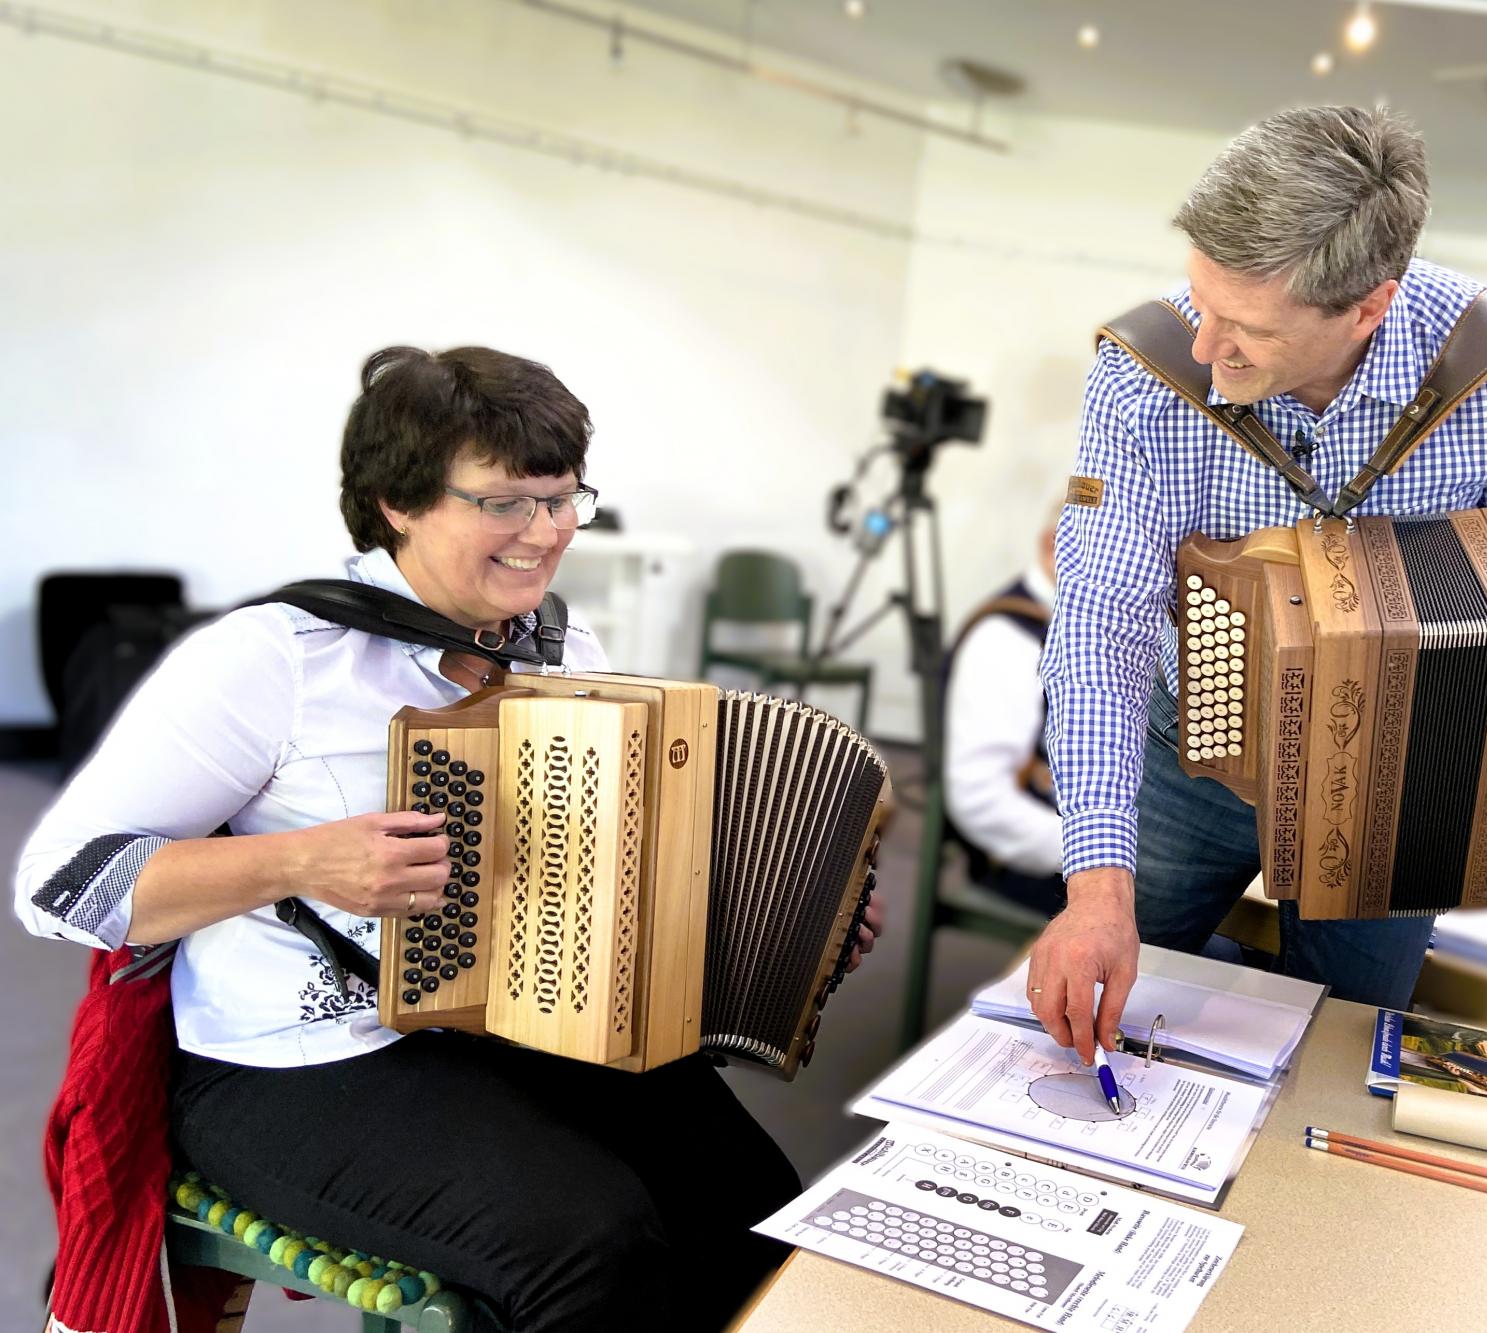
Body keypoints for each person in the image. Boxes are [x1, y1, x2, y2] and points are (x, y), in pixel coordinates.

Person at [16, 346, 878, 1330]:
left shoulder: (561, 648)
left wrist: (792, 926)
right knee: (588, 1244)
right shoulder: (276, 660)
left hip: (517, 1024)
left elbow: (607, 873)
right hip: (290, 1060)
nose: (546, 532)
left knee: (752, 1206)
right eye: (505, 502)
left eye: (563, 498)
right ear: (399, 501)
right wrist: (302, 860)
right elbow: (56, 884)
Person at [1029, 105, 1487, 1063]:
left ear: (1367, 308)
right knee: (1105, 1011)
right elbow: (1104, 622)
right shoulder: (1145, 374)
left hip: (1404, 767)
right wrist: (1094, 889)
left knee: (1348, 1048)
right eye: (1203, 302)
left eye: (1248, 328)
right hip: (1186, 757)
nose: (1206, 348)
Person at [942, 506, 1064, 917]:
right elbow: (982, 800)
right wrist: (1100, 853)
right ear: (1053, 544)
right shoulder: (1007, 639)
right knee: (1215, 943)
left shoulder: (1082, 627)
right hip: (1037, 862)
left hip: (1096, 841)